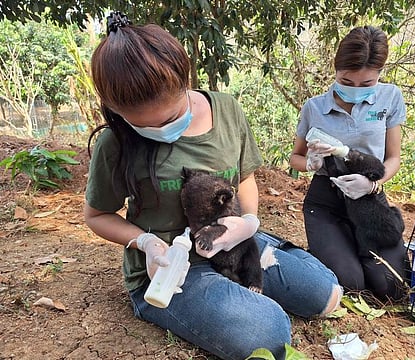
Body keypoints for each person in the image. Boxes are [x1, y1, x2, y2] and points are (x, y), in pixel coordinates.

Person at [84, 11, 342, 360]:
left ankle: (254, 265)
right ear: (117, 110)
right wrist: (144, 243)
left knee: (325, 294)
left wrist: (247, 223)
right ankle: (191, 297)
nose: (164, 131)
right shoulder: (114, 144)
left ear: (184, 82)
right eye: (147, 125)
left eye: (172, 116)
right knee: (270, 336)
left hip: (231, 239)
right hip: (169, 266)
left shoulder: (225, 109)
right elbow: (97, 215)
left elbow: (246, 177)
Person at [289, 25, 407, 301]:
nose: (355, 90)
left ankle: (358, 247)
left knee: (392, 286)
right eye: (346, 81)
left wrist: (372, 184)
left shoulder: (390, 98)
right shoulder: (314, 108)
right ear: (336, 71)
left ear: (379, 75)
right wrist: (311, 164)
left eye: (366, 84)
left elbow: (394, 158)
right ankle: (335, 247)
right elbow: (295, 157)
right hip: (326, 201)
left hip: (369, 201)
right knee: (350, 284)